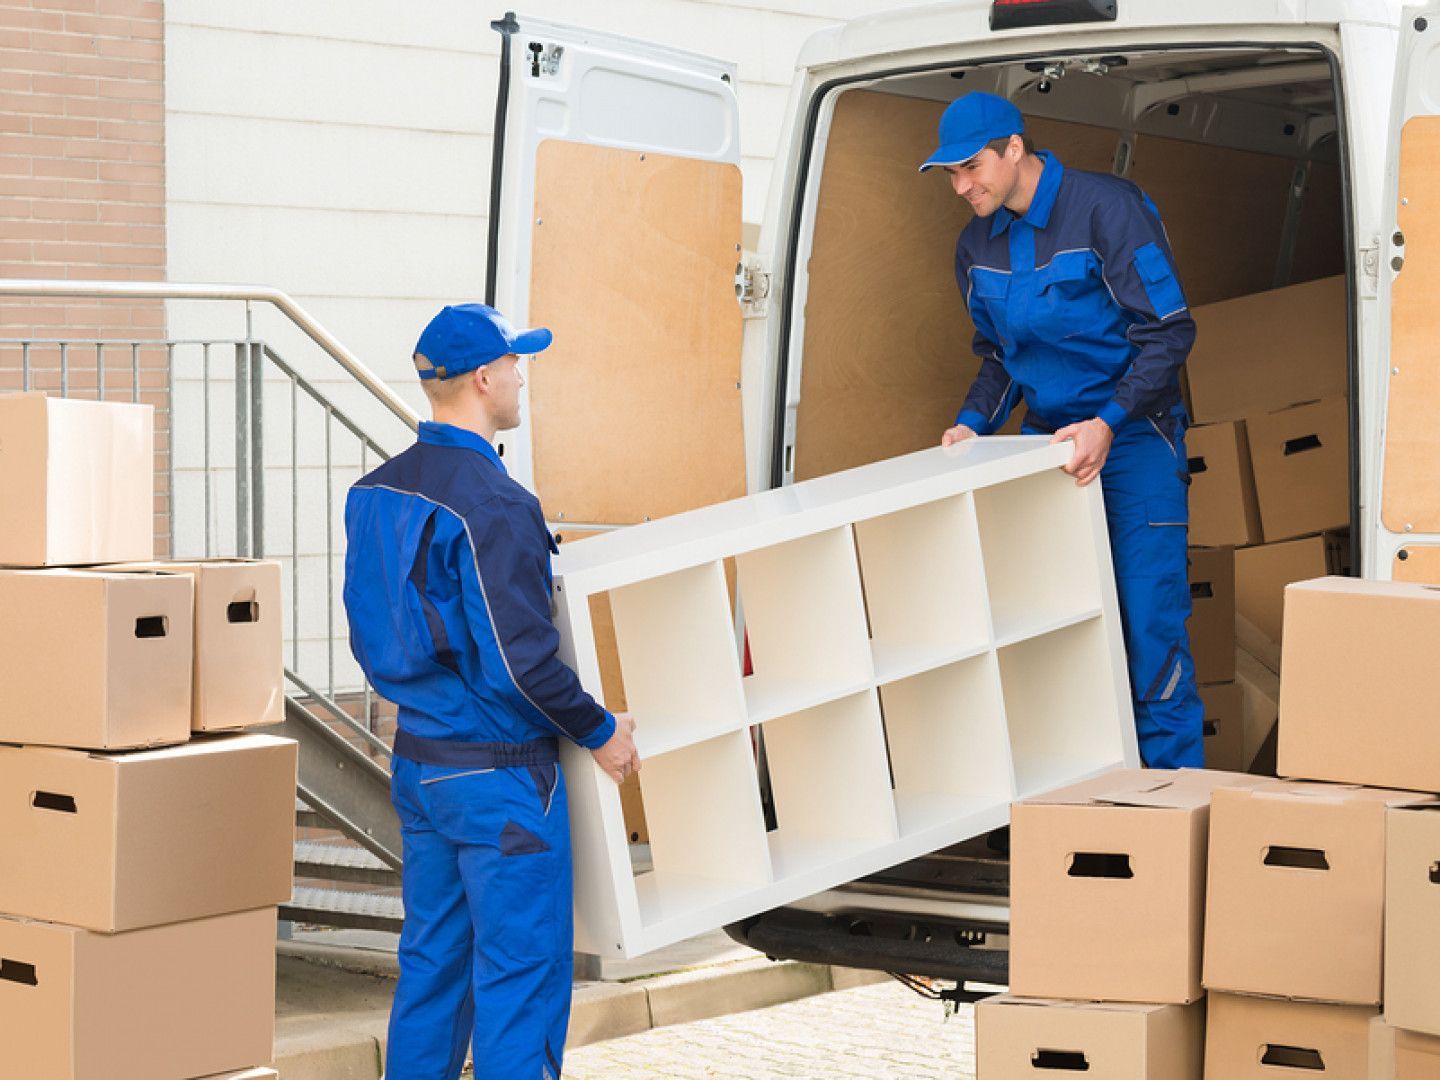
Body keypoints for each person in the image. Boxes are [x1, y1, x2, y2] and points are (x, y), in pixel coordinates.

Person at [342, 303, 640, 1080]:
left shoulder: (375, 494)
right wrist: (601, 729)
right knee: (518, 985)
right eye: (515, 363)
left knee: (434, 973)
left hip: (421, 765)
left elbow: (368, 630)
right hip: (501, 779)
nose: (519, 377)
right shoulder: (496, 502)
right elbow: (522, 664)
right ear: (484, 377)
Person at [920, 92, 1203, 769]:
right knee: (1063, 640)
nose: (962, 187)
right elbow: (998, 356)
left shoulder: (1107, 210)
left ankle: (1171, 819)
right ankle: (1085, 814)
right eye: (951, 174)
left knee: (1149, 630)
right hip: (1046, 450)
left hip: (1133, 442)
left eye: (971, 168)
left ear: (1015, 149)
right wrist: (970, 426)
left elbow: (1169, 331)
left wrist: (1107, 422)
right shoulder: (973, 246)